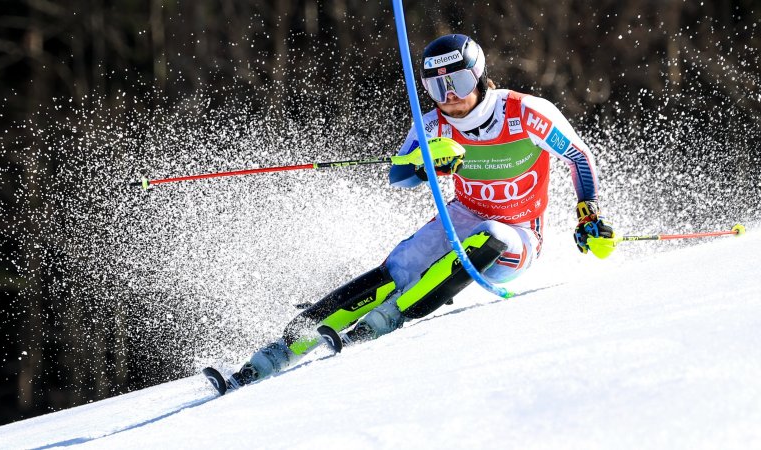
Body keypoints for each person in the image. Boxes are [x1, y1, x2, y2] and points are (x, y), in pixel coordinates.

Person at [224, 34, 615, 389]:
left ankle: (384, 321)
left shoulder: (525, 113)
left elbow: (578, 157)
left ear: (478, 78)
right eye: (436, 87)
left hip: (520, 235)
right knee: (400, 266)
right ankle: (279, 351)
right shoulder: (433, 124)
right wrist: (426, 166)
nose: (449, 96)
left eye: (458, 83)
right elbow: (398, 176)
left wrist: (588, 212)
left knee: (493, 235)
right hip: (462, 214)